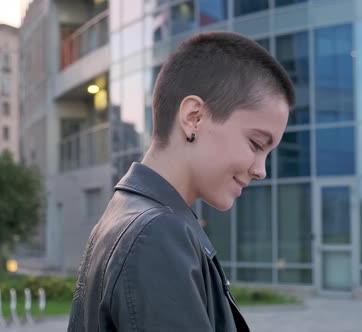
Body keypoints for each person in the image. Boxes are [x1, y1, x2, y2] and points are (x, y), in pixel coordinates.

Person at [68, 31, 295, 331]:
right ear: (194, 117)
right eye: (255, 144)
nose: (261, 170)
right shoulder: (156, 234)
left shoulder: (125, 214)